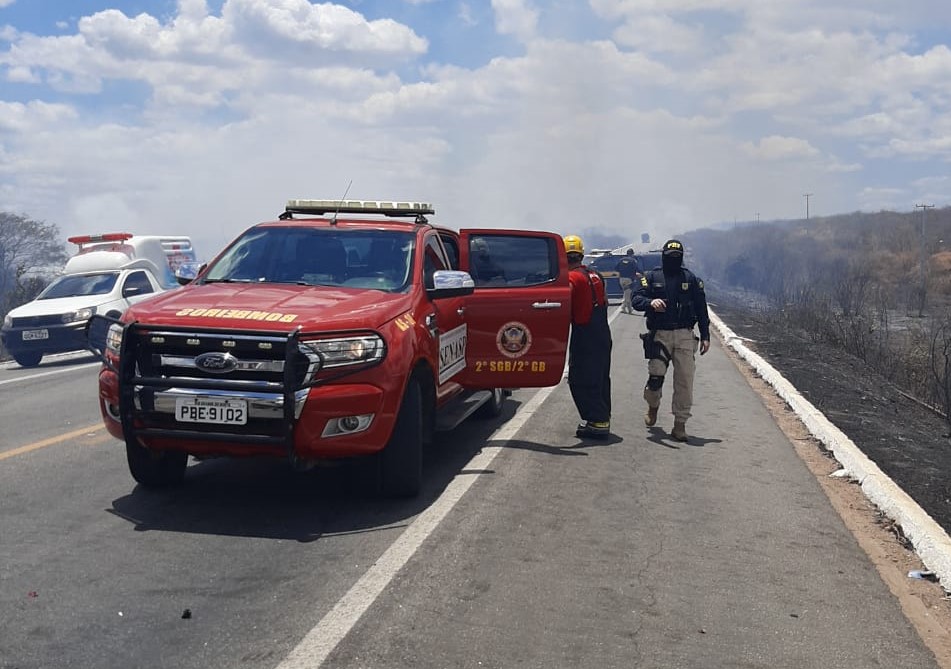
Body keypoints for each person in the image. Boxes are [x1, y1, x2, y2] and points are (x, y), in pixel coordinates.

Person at [631, 239, 710, 442]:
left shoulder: (690, 279)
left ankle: (680, 425)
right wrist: (650, 302)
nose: (673, 260)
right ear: (664, 257)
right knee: (655, 377)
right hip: (660, 335)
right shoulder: (651, 277)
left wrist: (706, 335)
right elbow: (636, 299)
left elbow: (701, 309)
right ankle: (653, 406)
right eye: (670, 257)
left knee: (685, 380)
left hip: (684, 335)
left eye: (677, 257)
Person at [564, 234, 613, 439]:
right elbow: (605, 302)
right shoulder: (595, 274)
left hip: (585, 333)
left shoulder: (571, 278)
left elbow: (566, 305)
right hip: (602, 332)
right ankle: (603, 417)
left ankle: (597, 421)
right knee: (601, 377)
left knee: (580, 378)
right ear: (581, 255)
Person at [616, 248, 639, 314]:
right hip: (628, 279)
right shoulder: (633, 261)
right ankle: (623, 308)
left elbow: (616, 268)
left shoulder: (621, 260)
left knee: (626, 293)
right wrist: (641, 273)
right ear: (632, 254)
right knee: (628, 294)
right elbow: (636, 269)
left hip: (621, 279)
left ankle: (629, 309)